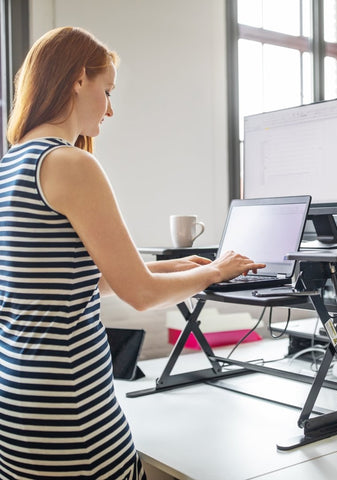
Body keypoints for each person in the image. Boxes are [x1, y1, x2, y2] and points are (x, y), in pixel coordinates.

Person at [0, 26, 265, 479]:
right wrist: (215, 273)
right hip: (71, 404)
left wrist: (174, 265)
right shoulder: (68, 162)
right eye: (107, 91)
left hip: (19, 402)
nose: (110, 108)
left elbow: (74, 277)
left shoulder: (12, 164)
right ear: (78, 79)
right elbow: (140, 294)